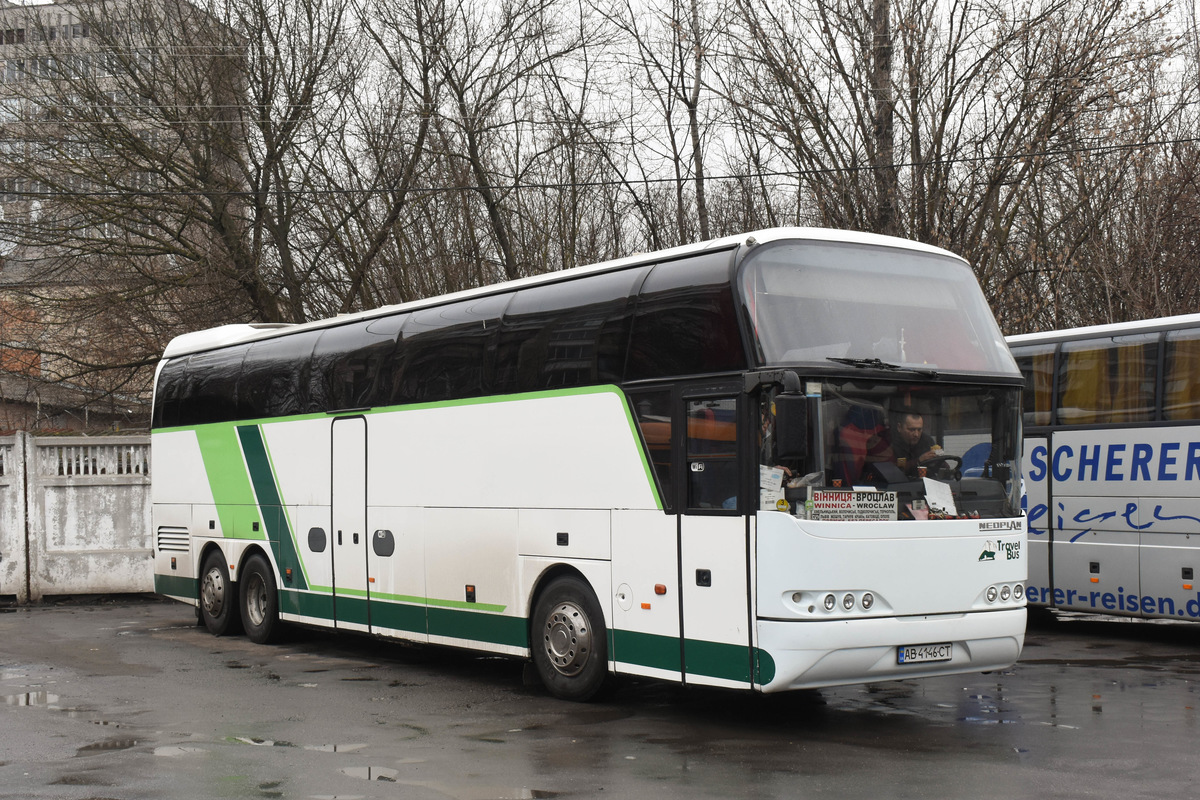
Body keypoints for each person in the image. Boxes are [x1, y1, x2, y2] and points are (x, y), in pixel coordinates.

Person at [891, 407, 940, 476]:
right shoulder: (891, 444)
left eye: (919, 430)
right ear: (899, 427)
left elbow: (943, 468)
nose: (916, 434)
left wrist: (939, 459)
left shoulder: (927, 441)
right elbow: (893, 471)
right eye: (911, 430)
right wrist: (919, 461)